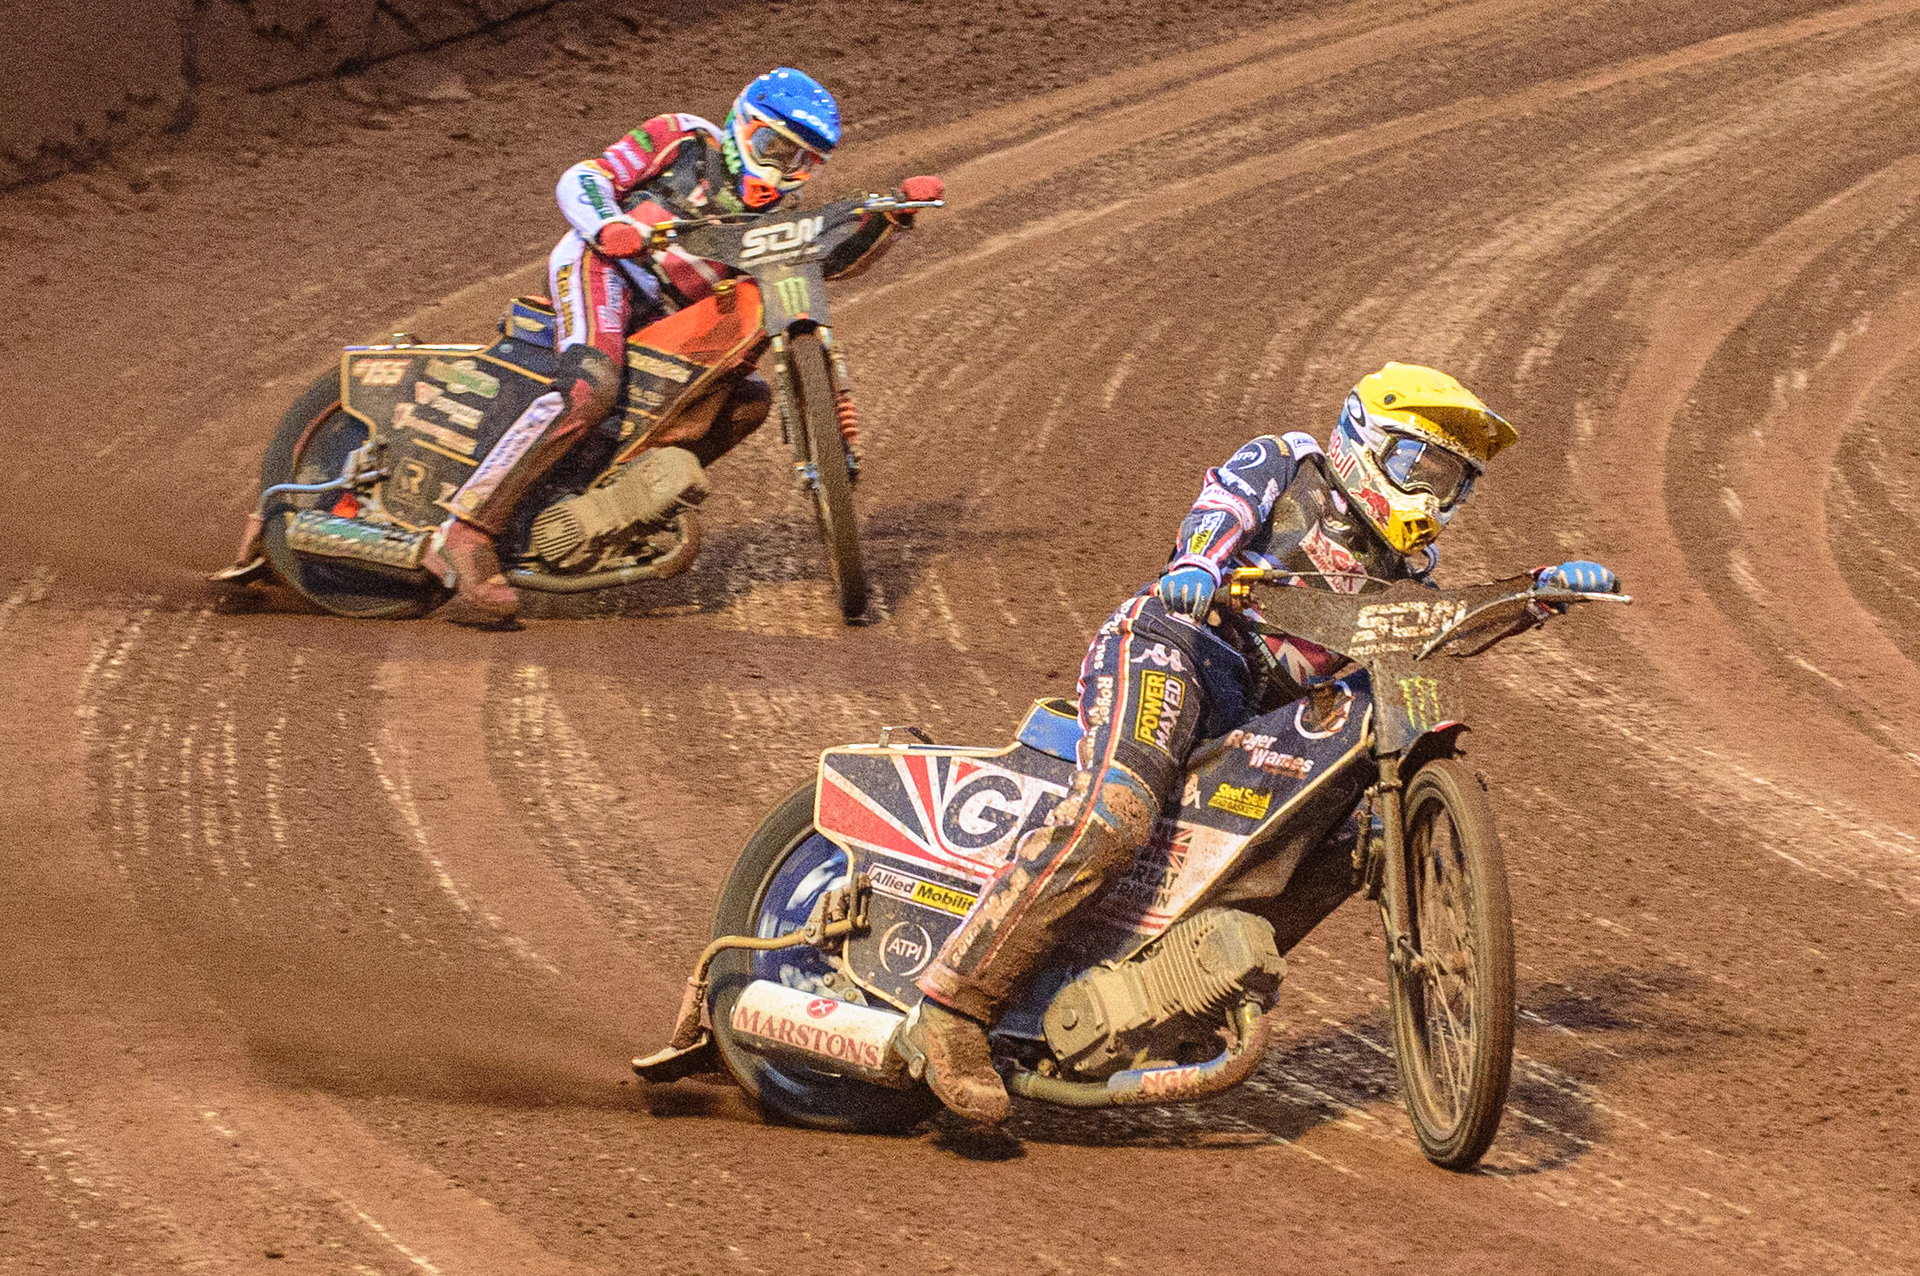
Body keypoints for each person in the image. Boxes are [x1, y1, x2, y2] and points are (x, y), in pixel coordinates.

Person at [908, 361, 1622, 1124]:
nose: (1436, 496)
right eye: (1426, 467)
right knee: (1116, 810)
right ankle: (954, 1010)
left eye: (1454, 483)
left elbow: (1435, 630)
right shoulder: (1288, 465)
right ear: (1369, 444)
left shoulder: (1408, 570)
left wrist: (1536, 595)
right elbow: (1221, 509)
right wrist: (1198, 564)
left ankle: (1175, 993)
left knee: (1354, 839)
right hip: (1179, 646)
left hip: (1259, 713)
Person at [426, 67, 943, 620]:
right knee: (591, 383)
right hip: (605, 270)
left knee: (746, 401)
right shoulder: (682, 138)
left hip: (668, 311)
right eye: (773, 147)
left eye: (801, 163)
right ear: (743, 126)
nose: (780, 170)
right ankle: (467, 530)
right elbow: (585, 176)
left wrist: (894, 218)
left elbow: (834, 261)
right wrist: (608, 226)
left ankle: (610, 503)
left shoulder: (776, 216)